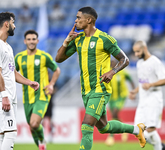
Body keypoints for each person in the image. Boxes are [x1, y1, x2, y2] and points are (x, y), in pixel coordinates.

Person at [55, 6, 146, 150]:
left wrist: (112, 71)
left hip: (100, 89)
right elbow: (59, 59)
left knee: (86, 126)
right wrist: (66, 41)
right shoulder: (78, 40)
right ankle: (136, 130)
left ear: (89, 20)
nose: (76, 20)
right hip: (86, 91)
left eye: (79, 18)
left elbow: (125, 59)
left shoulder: (104, 39)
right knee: (104, 127)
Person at [0, 12, 39, 150]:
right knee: (11, 133)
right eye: (13, 23)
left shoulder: (7, 47)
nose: (15, 26)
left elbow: (12, 72)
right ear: (6, 24)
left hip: (9, 97)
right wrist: (4, 96)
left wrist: (29, 82)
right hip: (1, 97)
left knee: (3, 135)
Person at [14, 30, 60, 150]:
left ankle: (42, 142)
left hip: (42, 96)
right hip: (27, 97)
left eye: (34, 39)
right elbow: (12, 73)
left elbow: (57, 70)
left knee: (34, 124)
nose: (31, 41)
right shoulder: (19, 57)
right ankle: (41, 145)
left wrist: (51, 84)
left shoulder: (44, 56)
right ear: (25, 41)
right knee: (32, 126)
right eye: (29, 39)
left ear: (37, 41)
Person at [130, 41, 165, 150]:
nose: (136, 54)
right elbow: (142, 82)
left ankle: (158, 147)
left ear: (145, 48)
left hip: (154, 99)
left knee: (150, 130)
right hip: (142, 101)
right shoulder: (139, 63)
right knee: (137, 131)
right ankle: (160, 146)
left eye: (138, 51)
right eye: (135, 52)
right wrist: (135, 91)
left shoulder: (155, 62)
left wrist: (151, 84)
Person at [105, 59, 135, 146]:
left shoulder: (122, 72)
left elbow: (130, 79)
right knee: (114, 115)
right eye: (111, 63)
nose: (112, 64)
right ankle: (124, 129)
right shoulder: (107, 72)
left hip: (121, 96)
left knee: (114, 112)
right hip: (111, 97)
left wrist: (133, 91)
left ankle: (111, 136)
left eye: (113, 63)